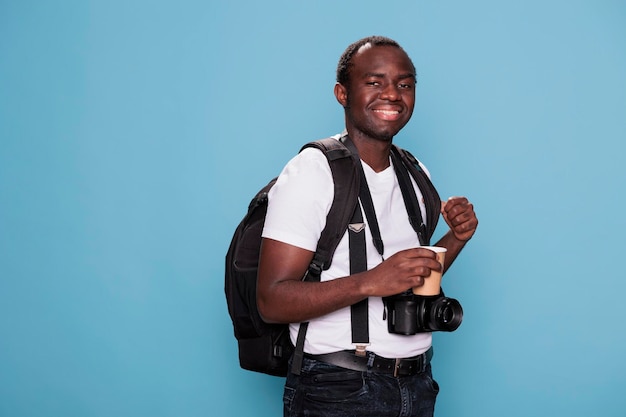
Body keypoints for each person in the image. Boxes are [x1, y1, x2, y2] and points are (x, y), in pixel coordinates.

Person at [257, 36, 478, 417]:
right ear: (342, 93)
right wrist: (369, 282)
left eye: (404, 84)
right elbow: (271, 301)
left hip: (418, 383)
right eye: (374, 82)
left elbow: (412, 280)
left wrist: (455, 240)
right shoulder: (313, 171)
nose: (392, 94)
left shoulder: (414, 172)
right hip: (337, 388)